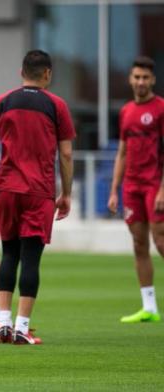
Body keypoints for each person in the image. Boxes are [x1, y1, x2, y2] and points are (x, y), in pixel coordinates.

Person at [0, 50, 75, 344]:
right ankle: (21, 328)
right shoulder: (57, 105)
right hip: (38, 191)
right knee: (31, 258)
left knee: (10, 253)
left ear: (21, 73)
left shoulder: (2, 102)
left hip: (6, 189)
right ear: (48, 75)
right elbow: (66, 153)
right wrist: (65, 193)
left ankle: (2, 324)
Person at [108, 56, 164, 323]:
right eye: (137, 77)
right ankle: (149, 306)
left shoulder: (161, 108)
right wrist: (113, 189)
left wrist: (163, 189)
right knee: (139, 243)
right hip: (132, 185)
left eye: (145, 77)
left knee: (161, 241)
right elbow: (122, 152)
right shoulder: (126, 111)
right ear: (130, 80)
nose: (140, 82)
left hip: (155, 183)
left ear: (152, 80)